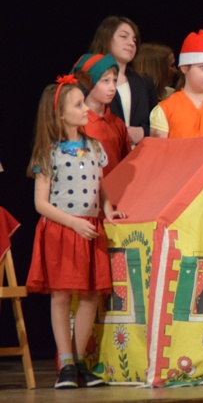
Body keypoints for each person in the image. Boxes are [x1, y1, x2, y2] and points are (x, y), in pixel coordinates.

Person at [25, 75, 125, 388]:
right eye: (79, 105)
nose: (86, 109)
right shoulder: (48, 153)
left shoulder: (94, 147)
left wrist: (107, 208)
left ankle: (79, 360)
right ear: (60, 115)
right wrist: (73, 223)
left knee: (91, 295)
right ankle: (66, 363)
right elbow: (41, 204)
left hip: (90, 227)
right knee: (61, 295)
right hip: (63, 229)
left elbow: (101, 185)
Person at [89, 16, 159, 146]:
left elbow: (158, 123)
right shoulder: (89, 77)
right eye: (124, 36)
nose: (131, 43)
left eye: (134, 40)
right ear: (106, 38)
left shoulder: (144, 82)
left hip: (140, 154)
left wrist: (143, 131)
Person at [71, 54, 130, 175]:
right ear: (89, 84)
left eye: (114, 80)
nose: (112, 87)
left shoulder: (118, 124)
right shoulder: (77, 124)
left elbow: (125, 162)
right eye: (105, 81)